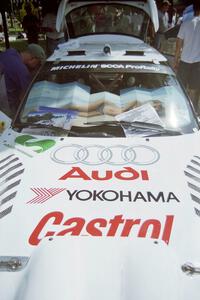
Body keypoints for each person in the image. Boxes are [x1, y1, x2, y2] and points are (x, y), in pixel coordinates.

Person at [0, 44, 46, 117]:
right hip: (6, 104)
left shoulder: (10, 52)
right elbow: (26, 96)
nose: (37, 66)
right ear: (32, 58)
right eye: (38, 62)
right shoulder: (22, 70)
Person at [174, 1, 200, 113]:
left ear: (193, 9)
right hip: (198, 63)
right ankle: (193, 112)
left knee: (182, 89)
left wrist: (176, 60)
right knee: (194, 90)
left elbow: (178, 44)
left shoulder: (186, 23)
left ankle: (180, 111)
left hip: (184, 61)